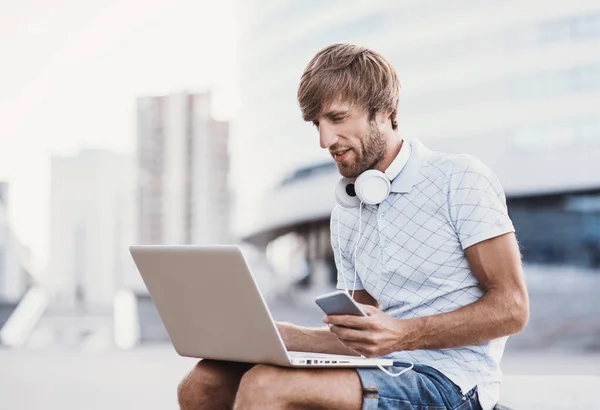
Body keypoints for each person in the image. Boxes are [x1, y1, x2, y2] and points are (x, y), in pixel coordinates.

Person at [177, 44, 529, 410]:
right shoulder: (348, 209)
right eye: (317, 124)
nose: (324, 141)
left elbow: (513, 308)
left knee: (267, 386)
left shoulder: (459, 178)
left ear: (385, 112)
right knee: (203, 382)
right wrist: (279, 335)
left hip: (454, 382)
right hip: (384, 368)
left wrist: (406, 334)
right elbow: (358, 339)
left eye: (338, 118)